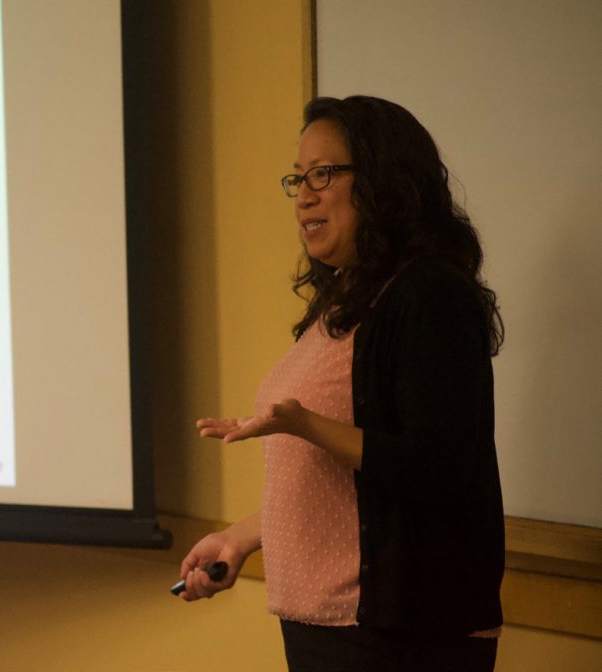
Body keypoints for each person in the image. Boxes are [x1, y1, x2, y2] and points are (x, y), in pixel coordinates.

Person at [177, 96, 505, 672]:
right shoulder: (348, 303)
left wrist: (306, 425)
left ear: (384, 182)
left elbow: (439, 464)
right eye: (298, 178)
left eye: (324, 174)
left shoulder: (430, 295)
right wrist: (244, 537)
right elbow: (349, 495)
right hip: (334, 628)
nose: (304, 194)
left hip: (400, 636)